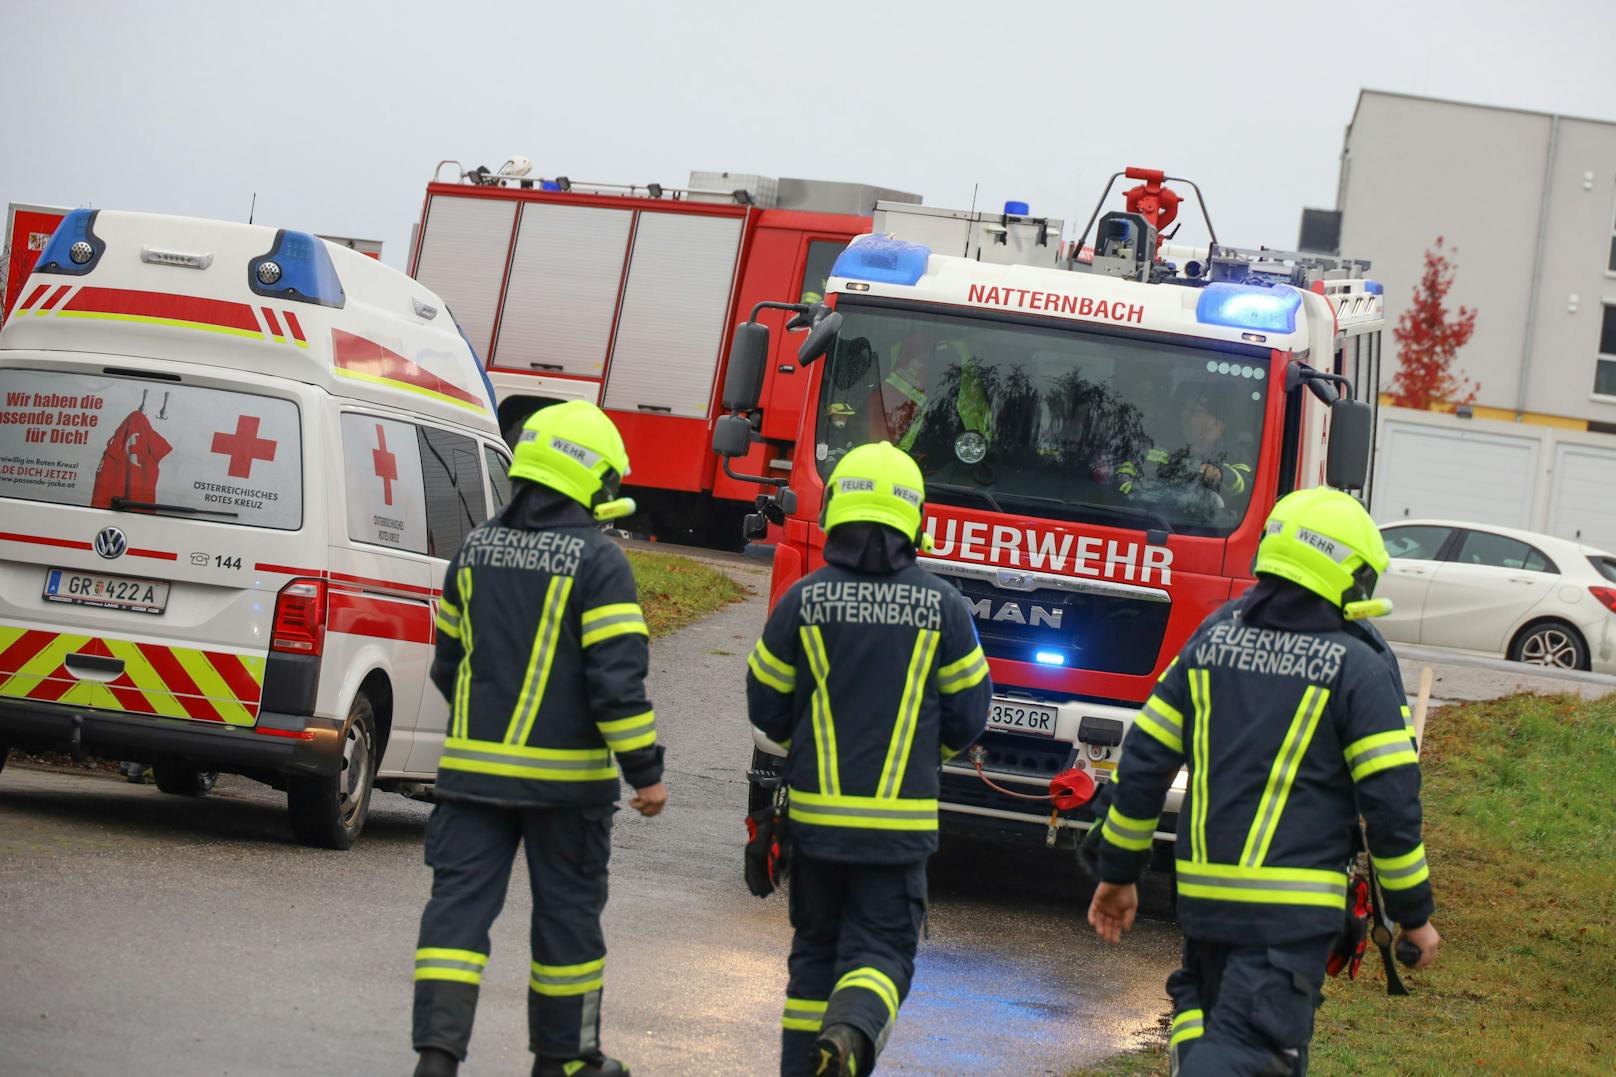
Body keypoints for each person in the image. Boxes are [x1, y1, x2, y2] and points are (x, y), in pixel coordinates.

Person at [1087, 486, 1440, 1075]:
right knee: (1258, 1052)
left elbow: (1144, 759)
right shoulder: (1359, 666)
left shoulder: (1209, 642)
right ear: (1349, 576)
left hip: (1204, 899)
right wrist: (1414, 915)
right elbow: (1391, 805)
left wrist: (1118, 873)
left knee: (1206, 1010)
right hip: (1289, 911)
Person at [411, 401, 668, 1077]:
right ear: (588, 478)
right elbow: (616, 682)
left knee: (455, 920)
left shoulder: (473, 551)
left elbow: (447, 662)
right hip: (567, 792)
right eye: (608, 483)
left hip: (469, 781)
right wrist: (645, 772)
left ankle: (436, 1059)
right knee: (568, 925)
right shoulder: (599, 562)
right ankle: (566, 1060)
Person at [746, 442, 992, 1077]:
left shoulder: (802, 600)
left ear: (835, 509)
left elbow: (766, 707)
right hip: (897, 829)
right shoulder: (946, 609)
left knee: (814, 957)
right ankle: (852, 1038)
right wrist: (921, 753)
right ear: (917, 520)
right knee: (883, 950)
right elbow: (970, 717)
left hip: (816, 825)